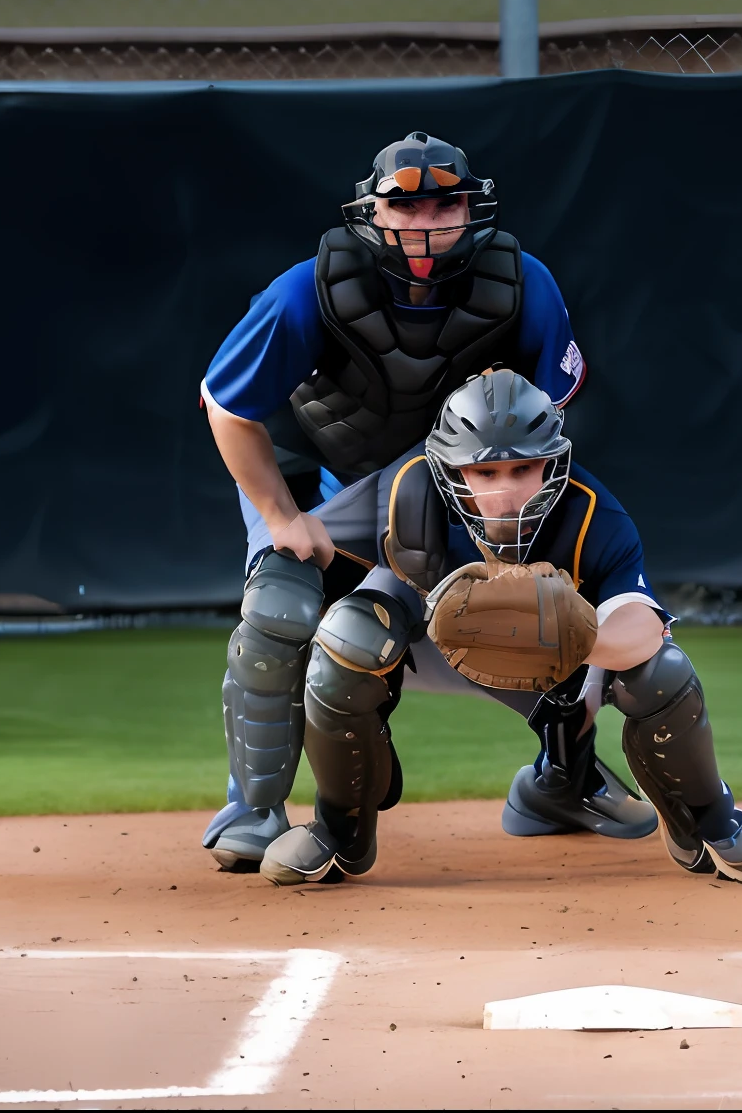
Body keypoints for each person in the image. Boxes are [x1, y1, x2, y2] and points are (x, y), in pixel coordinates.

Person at [198, 132, 647, 872]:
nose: (426, 219)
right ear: (371, 212)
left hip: (451, 487)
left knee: (530, 619)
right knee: (280, 611)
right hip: (320, 485)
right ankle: (252, 806)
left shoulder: (522, 282)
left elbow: (545, 419)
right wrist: (281, 515)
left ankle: (563, 777)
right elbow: (227, 405)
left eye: (445, 202)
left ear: (474, 208)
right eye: (405, 204)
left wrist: (502, 527)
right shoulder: (307, 289)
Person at [255, 369, 742, 888]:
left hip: (556, 663)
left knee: (661, 673)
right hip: (420, 632)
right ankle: (338, 830)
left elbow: (644, 628)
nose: (506, 493)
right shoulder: (407, 489)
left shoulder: (592, 512)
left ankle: (699, 818)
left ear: (553, 461)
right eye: (485, 474)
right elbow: (314, 544)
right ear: (452, 470)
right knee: (347, 639)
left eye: (522, 468)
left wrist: (568, 636)